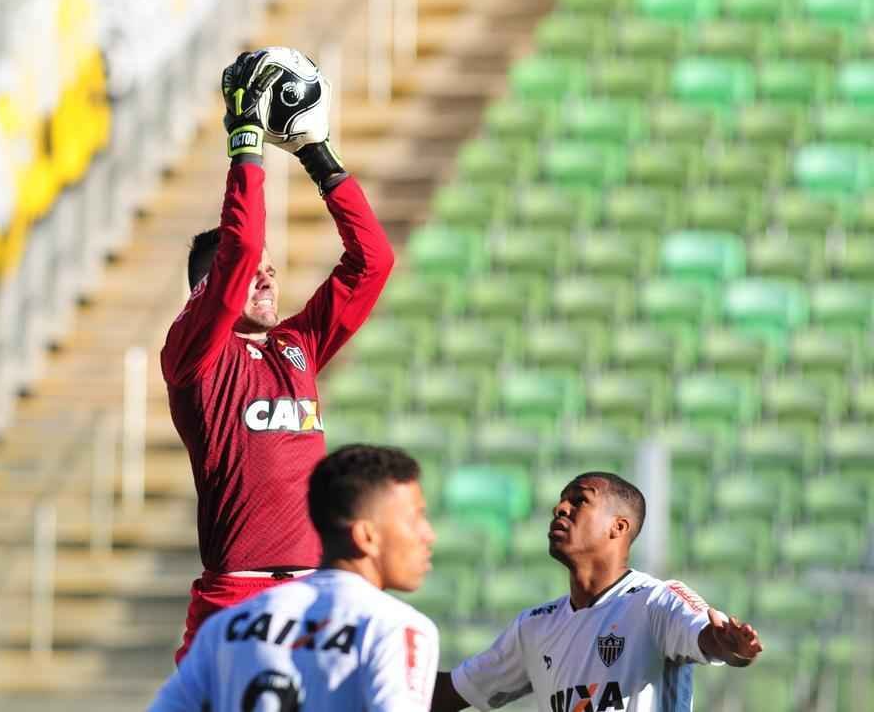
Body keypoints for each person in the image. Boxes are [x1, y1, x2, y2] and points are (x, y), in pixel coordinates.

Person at [162, 49, 395, 663]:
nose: (265, 279)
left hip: (315, 598)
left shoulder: (299, 345)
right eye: (249, 275)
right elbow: (239, 249)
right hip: (234, 601)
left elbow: (373, 263)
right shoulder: (194, 356)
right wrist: (245, 142)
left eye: (270, 272)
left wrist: (317, 155)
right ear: (205, 293)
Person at [431, 472, 764, 712]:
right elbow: (453, 692)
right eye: (561, 501)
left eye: (579, 500)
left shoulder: (654, 601)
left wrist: (729, 645)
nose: (561, 508)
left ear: (618, 527)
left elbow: (710, 640)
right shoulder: (533, 627)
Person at [149, 445, 439, 710]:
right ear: (366, 536)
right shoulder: (392, 629)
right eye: (416, 518)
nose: (428, 534)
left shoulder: (225, 626)